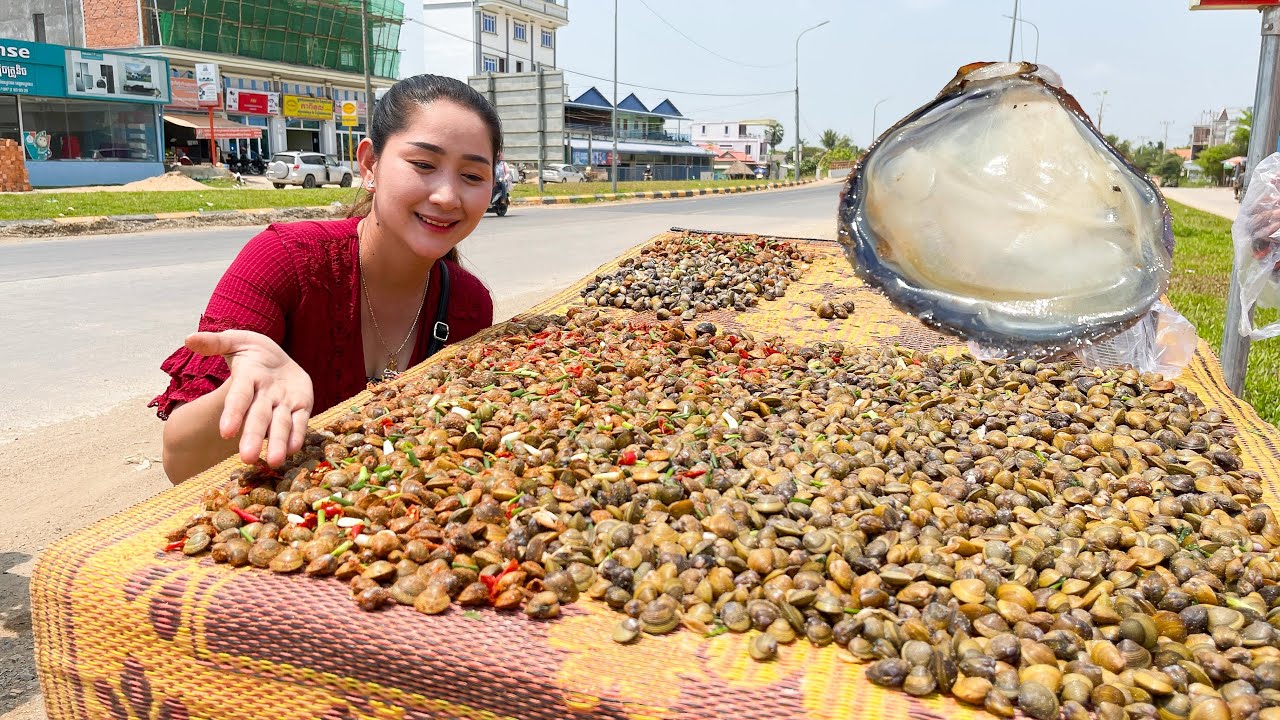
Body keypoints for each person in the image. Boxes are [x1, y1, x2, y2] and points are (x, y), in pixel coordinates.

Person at [152, 74, 499, 483]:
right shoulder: (284, 260)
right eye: (423, 165)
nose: (447, 196)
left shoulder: (469, 305)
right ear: (369, 165)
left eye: (472, 176)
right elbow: (180, 466)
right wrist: (242, 393)